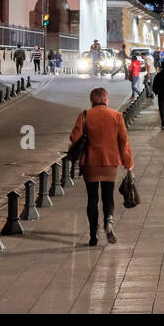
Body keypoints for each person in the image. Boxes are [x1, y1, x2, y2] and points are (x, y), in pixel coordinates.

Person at [69, 87, 133, 246]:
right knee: (108, 196)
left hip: (90, 163)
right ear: (106, 100)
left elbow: (74, 137)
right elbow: (123, 141)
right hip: (110, 163)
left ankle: (93, 234)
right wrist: (128, 163)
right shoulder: (116, 116)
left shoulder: (84, 116)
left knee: (92, 198)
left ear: (91, 101)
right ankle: (109, 221)